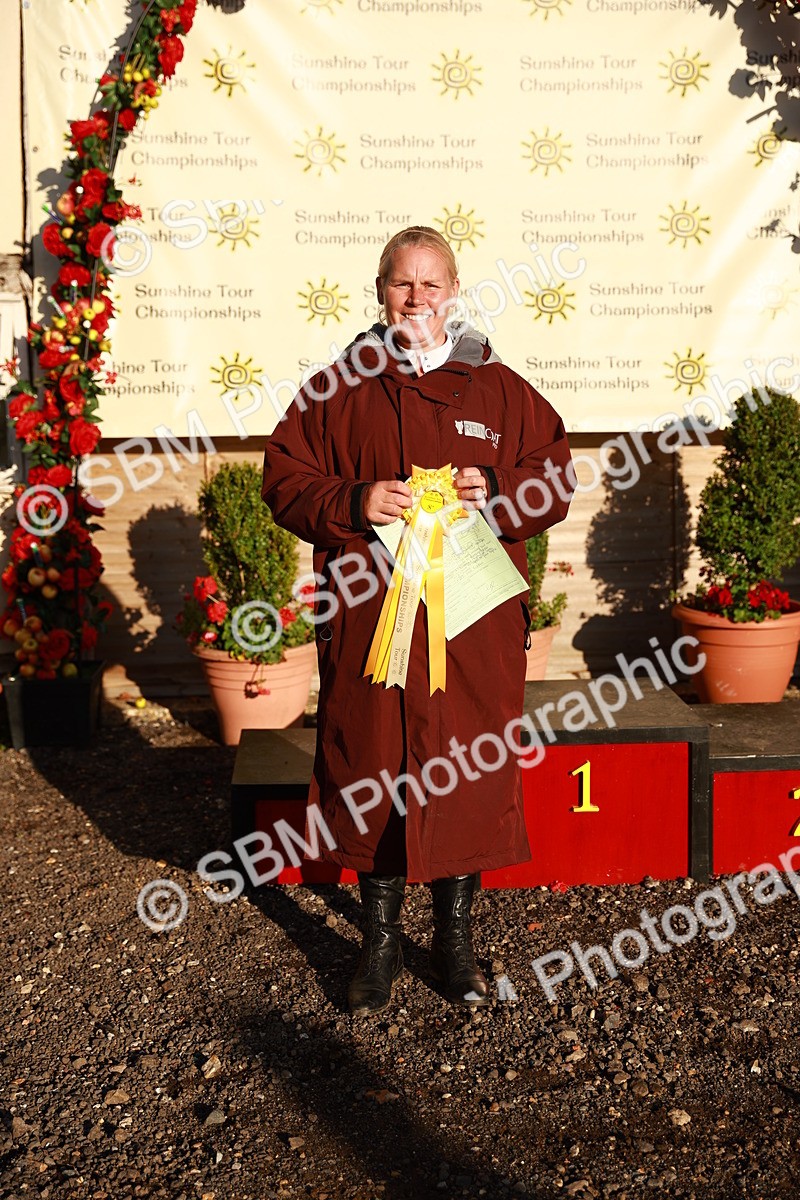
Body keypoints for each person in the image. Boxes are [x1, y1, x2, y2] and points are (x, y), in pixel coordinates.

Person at [262, 226, 573, 1017]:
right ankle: (378, 943)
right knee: (372, 764)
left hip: (470, 626)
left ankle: (457, 943)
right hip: (372, 620)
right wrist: (352, 501)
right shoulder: (337, 390)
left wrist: (498, 486)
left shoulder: (502, 391)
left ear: (454, 291)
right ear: (379, 290)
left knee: (467, 768)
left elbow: (557, 479)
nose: (417, 299)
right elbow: (285, 480)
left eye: (432, 285)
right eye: (403, 284)